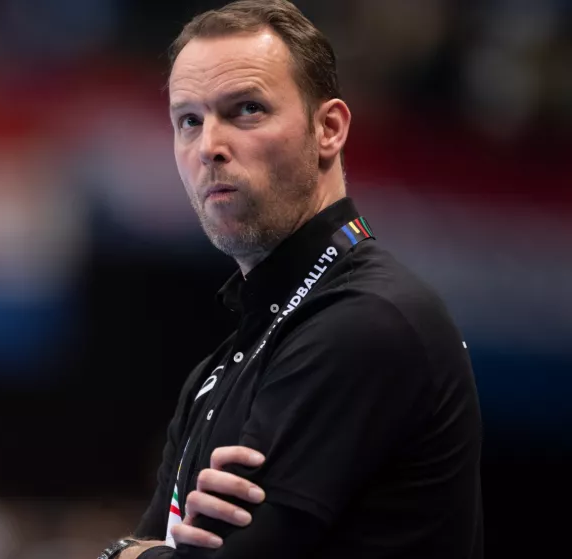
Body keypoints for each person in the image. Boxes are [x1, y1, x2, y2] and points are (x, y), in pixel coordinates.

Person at [95, 1, 483, 558]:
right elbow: (160, 543)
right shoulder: (218, 372)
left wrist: (125, 555)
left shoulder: (369, 322)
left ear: (329, 129)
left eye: (247, 109)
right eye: (189, 120)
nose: (209, 147)